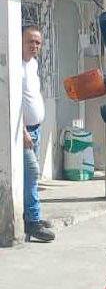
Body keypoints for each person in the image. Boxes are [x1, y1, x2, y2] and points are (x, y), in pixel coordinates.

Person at [21, 25, 54, 242]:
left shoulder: (32, 65)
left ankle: (30, 215)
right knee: (32, 174)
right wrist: (22, 131)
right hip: (20, 133)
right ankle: (33, 223)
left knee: (29, 176)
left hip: (36, 129)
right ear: (20, 42)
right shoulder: (15, 66)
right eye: (30, 41)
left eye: (38, 42)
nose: (34, 46)